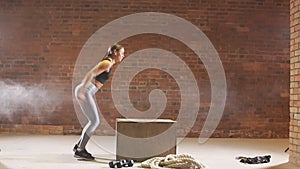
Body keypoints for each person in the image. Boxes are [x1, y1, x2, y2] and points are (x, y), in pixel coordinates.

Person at [73, 44, 125, 160]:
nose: (123, 55)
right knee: (95, 121)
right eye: (121, 53)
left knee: (93, 121)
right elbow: (90, 74)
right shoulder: (107, 63)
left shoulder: (109, 63)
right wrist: (82, 91)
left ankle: (78, 146)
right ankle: (80, 150)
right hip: (86, 90)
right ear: (115, 52)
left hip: (88, 90)